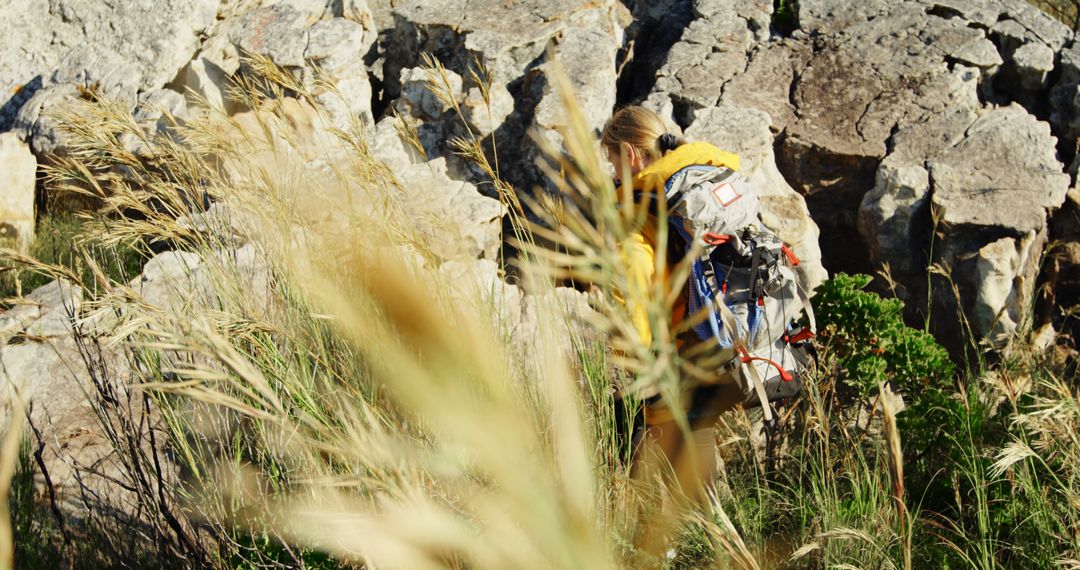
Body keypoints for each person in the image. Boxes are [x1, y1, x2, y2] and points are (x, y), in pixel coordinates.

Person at [600, 106, 747, 505]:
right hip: (727, 339)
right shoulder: (702, 177)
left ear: (631, 155)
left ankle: (648, 543)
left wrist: (628, 361)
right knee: (697, 446)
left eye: (613, 161)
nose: (613, 173)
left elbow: (632, 283)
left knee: (634, 443)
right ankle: (720, 541)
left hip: (675, 352)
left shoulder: (639, 202)